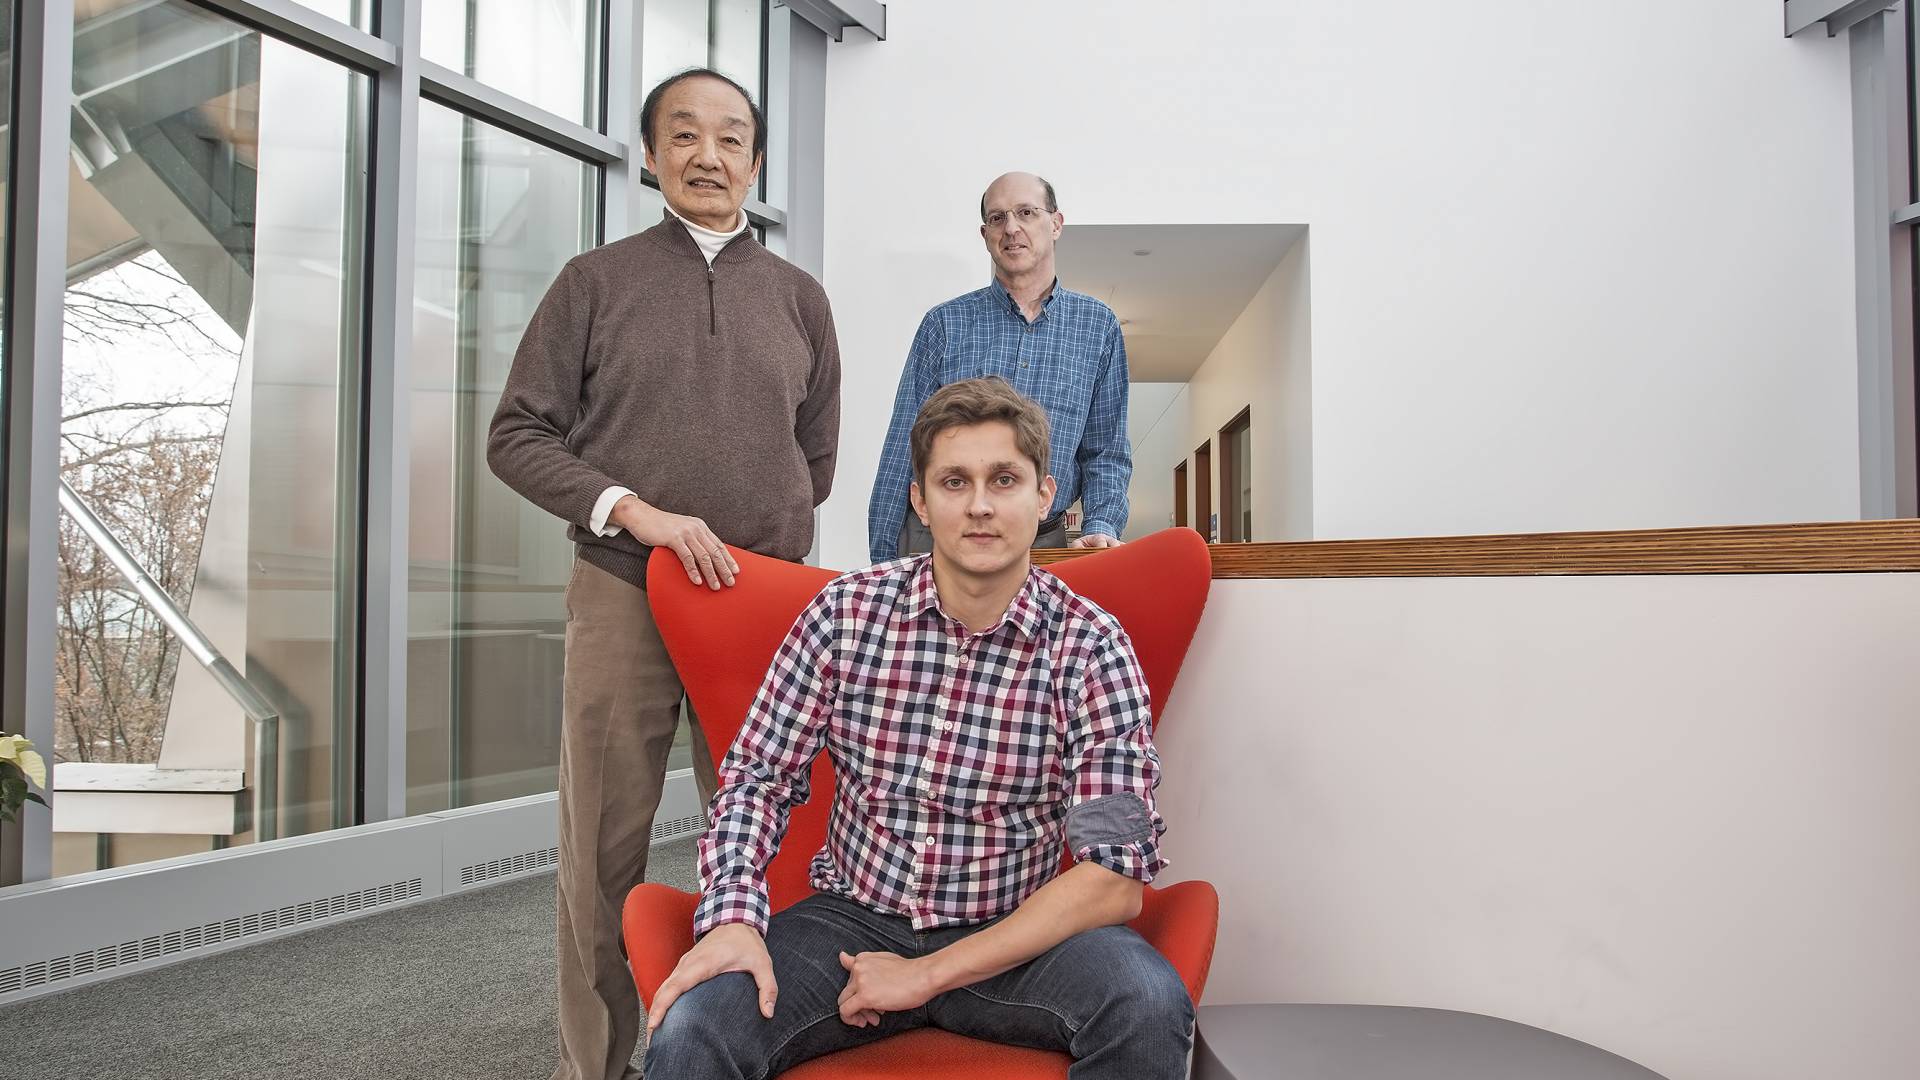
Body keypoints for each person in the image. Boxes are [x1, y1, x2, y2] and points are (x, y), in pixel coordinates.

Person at [644, 378, 1191, 1079]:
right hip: (849, 924)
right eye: (954, 482)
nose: (982, 505)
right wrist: (731, 919)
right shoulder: (845, 616)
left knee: (1147, 1004)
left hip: (1012, 935)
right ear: (921, 501)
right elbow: (757, 779)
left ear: (1044, 497)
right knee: (695, 1028)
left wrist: (925, 973)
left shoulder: (1091, 646)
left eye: (1004, 479)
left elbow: (1113, 878)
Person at [486, 66, 841, 1080]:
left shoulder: (801, 300)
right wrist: (635, 512)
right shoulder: (593, 283)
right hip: (623, 589)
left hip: (763, 606)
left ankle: (749, 1046)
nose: (708, 155)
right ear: (649, 155)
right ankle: (593, 1065)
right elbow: (516, 436)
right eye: (683, 135)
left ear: (756, 162)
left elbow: (811, 459)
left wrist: (762, 540)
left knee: (773, 841)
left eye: (731, 138)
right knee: (602, 847)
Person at [867, 172, 1132, 562]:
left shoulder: (1097, 327)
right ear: (984, 233)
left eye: (1026, 212)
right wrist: (882, 560)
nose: (1011, 228)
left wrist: (1101, 525)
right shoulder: (945, 325)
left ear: (1055, 224)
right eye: (997, 218)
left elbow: (1105, 451)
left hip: (1043, 544)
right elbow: (903, 448)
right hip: (941, 542)